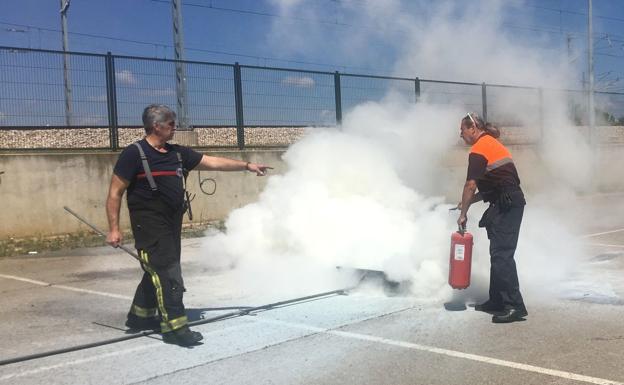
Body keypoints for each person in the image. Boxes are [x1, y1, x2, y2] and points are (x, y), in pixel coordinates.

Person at [105, 104, 271, 346]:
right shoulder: (134, 154)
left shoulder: (178, 153)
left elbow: (212, 162)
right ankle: (175, 329)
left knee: (156, 271)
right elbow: (114, 193)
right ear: (156, 126)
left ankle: (140, 317)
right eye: (171, 124)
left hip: (172, 224)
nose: (175, 128)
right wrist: (114, 229)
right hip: (149, 226)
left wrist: (247, 166)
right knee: (169, 275)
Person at [457, 112, 528, 323]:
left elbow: (470, 184)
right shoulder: (491, 143)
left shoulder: (478, 149)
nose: (460, 135)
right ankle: (497, 301)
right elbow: (496, 184)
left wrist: (463, 215)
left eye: (462, 130)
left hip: (507, 204)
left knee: (502, 255)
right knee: (497, 253)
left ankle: (514, 306)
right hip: (507, 201)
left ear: (473, 128)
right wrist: (469, 202)